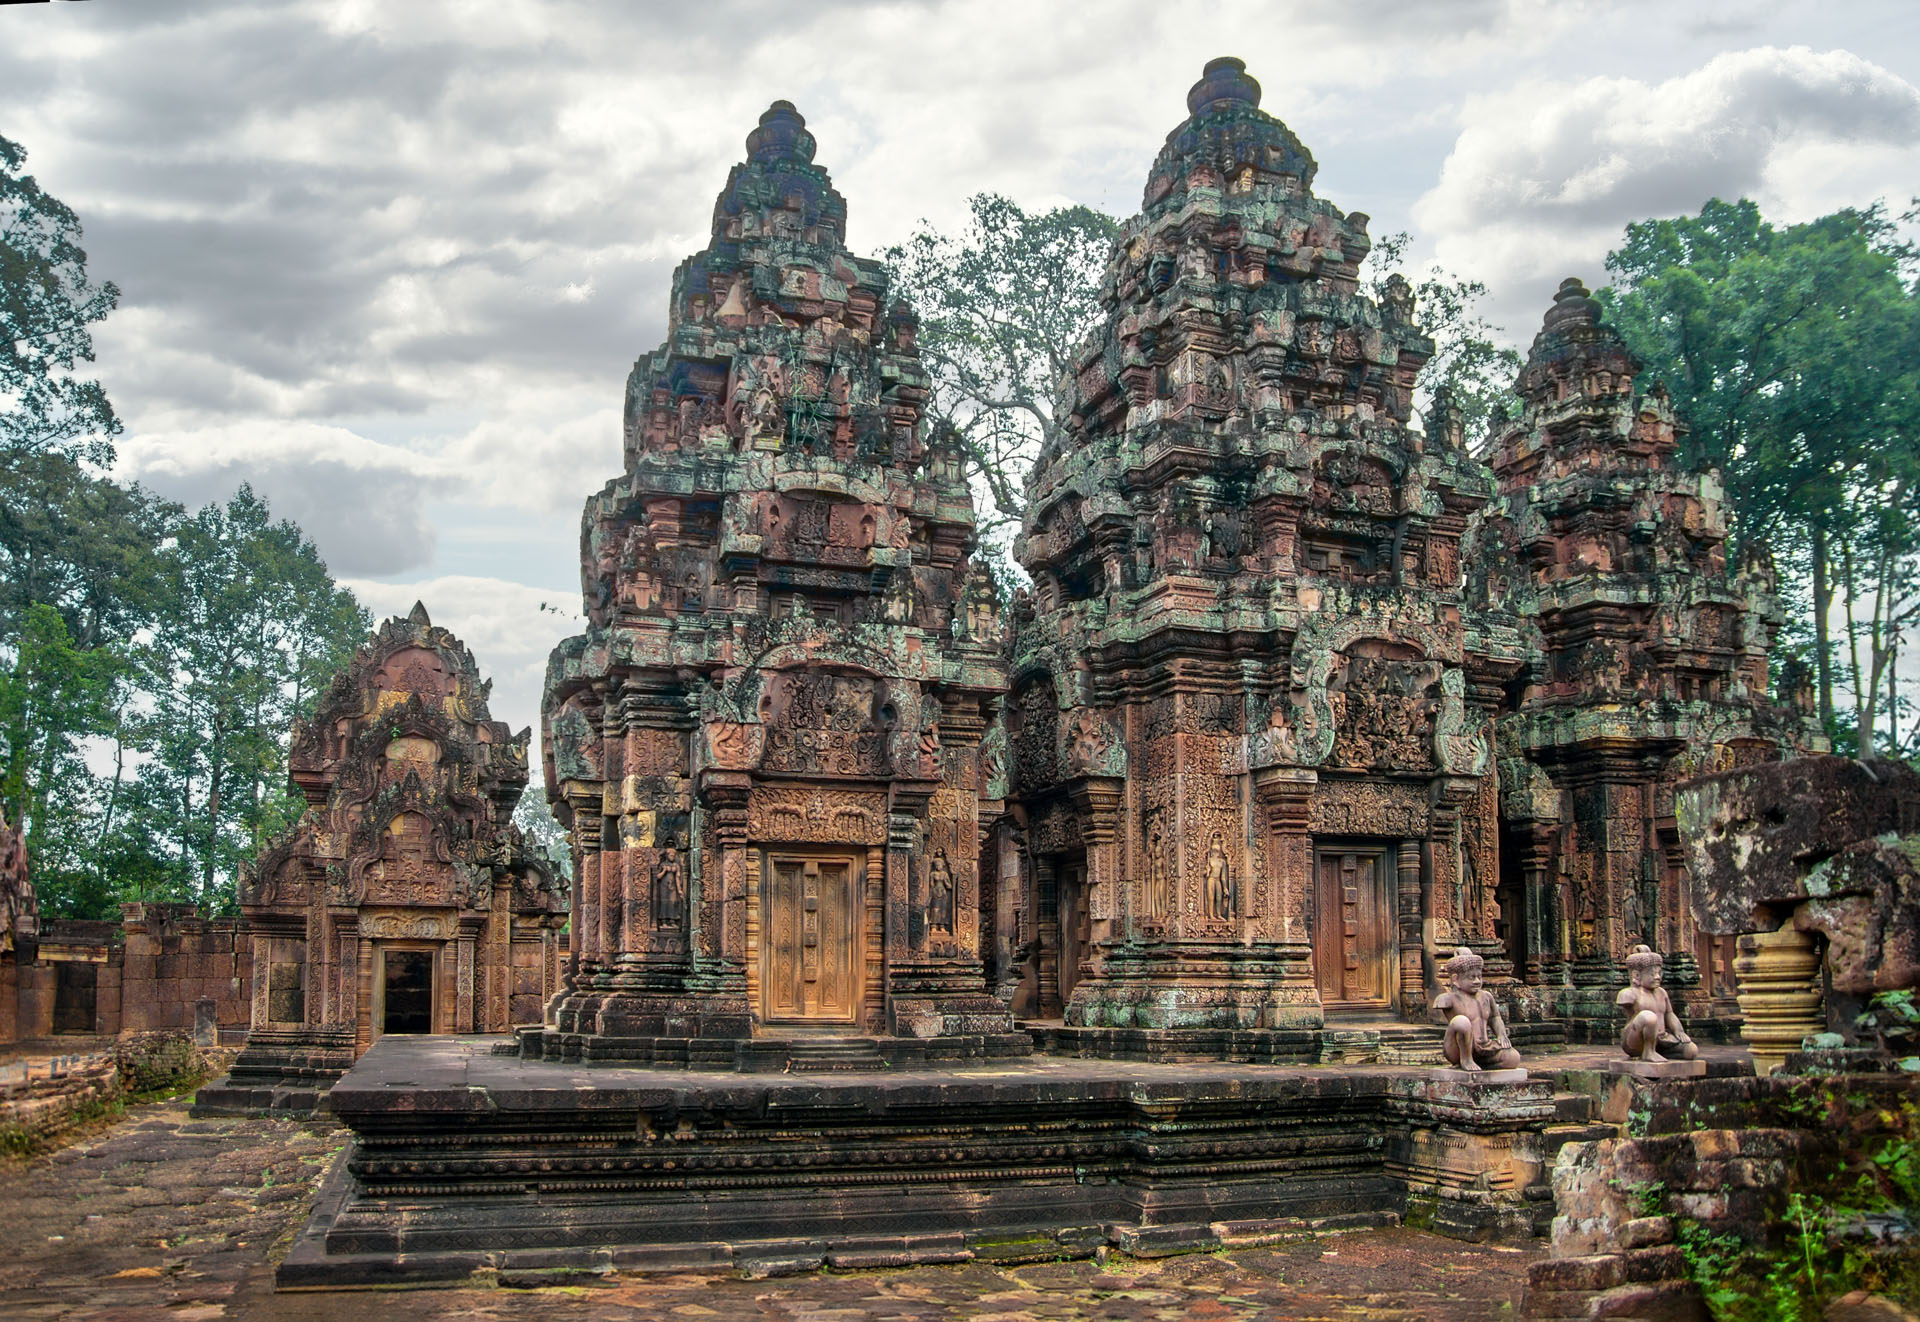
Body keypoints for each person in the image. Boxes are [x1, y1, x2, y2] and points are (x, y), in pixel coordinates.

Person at [1431, 947, 1522, 1071]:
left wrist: (1501, 1035)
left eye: (1479, 976)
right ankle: (1466, 1060)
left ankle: (1482, 1066)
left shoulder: (1486, 997)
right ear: (1455, 979)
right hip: (1458, 1049)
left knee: (1513, 1058)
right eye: (1471, 977)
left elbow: (1495, 1017)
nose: (1477, 981)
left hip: (1484, 1047)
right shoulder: (1448, 999)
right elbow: (1457, 1024)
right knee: (1461, 1022)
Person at [1617, 945, 1698, 1062]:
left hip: (1661, 1039)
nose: (1657, 977)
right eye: (1652, 974)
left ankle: (1656, 1051)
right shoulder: (1629, 993)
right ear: (1636, 975)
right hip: (1635, 1041)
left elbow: (1669, 1014)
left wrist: (1678, 1031)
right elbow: (1640, 1018)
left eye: (1659, 973)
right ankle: (1648, 1052)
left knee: (1691, 1051)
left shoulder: (1661, 993)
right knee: (1648, 1016)